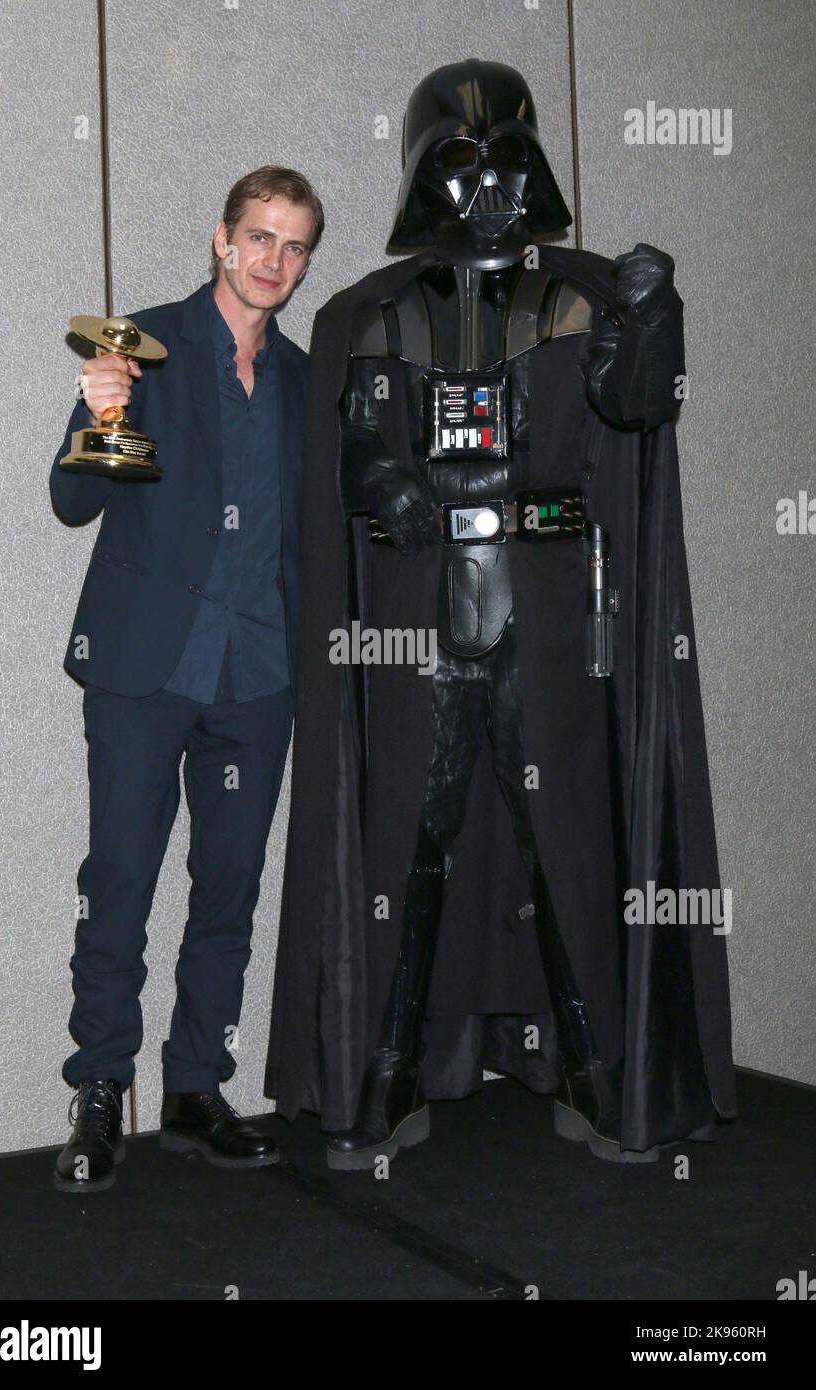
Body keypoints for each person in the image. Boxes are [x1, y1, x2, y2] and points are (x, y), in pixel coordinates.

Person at [264, 61, 736, 1168]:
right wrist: (374, 475)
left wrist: (652, 318)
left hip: (550, 615)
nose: (484, 194)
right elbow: (349, 445)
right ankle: (381, 1079)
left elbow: (634, 407)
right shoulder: (365, 317)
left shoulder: (583, 298)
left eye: (506, 167)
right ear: (423, 177)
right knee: (409, 851)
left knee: (561, 844)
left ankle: (594, 1072)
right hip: (414, 620)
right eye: (461, 168)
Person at [50, 166, 323, 1193]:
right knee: (118, 877)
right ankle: (98, 1090)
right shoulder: (140, 346)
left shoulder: (302, 380)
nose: (272, 262)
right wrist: (96, 414)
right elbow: (71, 498)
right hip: (142, 667)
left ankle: (196, 1085)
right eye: (258, 237)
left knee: (231, 885)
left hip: (257, 674)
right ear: (220, 239)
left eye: (293, 246)